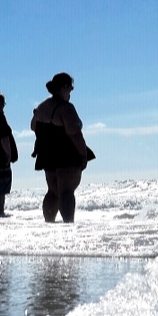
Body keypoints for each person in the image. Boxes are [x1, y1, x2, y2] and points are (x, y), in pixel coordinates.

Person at [31, 72, 92, 223]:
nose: (71, 91)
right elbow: (75, 134)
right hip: (65, 155)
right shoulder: (66, 108)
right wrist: (84, 155)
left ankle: (49, 224)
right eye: (70, 87)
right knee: (66, 192)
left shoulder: (41, 107)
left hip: (47, 154)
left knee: (53, 192)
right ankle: (68, 226)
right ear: (64, 87)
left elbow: (33, 126)